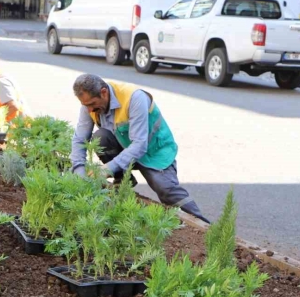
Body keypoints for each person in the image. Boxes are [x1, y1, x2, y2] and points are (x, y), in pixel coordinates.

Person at [69, 74, 207, 222]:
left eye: (92, 104)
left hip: (153, 152)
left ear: (104, 92)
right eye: (86, 106)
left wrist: (107, 168)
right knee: (101, 138)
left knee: (166, 191)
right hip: (124, 149)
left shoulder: (134, 98)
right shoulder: (89, 105)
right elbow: (80, 138)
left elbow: (140, 146)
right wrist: (79, 171)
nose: (89, 110)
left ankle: (205, 226)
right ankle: (122, 180)